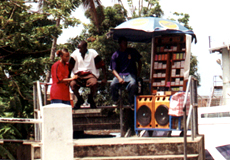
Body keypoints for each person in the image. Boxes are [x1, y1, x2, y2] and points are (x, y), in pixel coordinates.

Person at [69, 40, 107, 109]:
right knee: (72, 85)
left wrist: (105, 78)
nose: (79, 50)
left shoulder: (93, 53)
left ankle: (91, 98)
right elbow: (69, 66)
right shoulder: (75, 53)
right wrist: (68, 79)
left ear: (85, 47)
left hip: (90, 75)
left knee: (94, 83)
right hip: (78, 75)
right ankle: (79, 99)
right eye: (78, 48)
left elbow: (102, 65)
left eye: (81, 48)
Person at [110, 37, 142, 106]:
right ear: (120, 44)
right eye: (123, 43)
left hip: (130, 74)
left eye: (126, 43)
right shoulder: (115, 55)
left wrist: (138, 73)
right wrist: (119, 78)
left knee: (133, 84)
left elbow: (139, 62)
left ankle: (131, 102)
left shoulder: (132, 51)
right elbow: (113, 70)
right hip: (120, 75)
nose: (125, 44)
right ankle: (116, 100)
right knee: (112, 84)